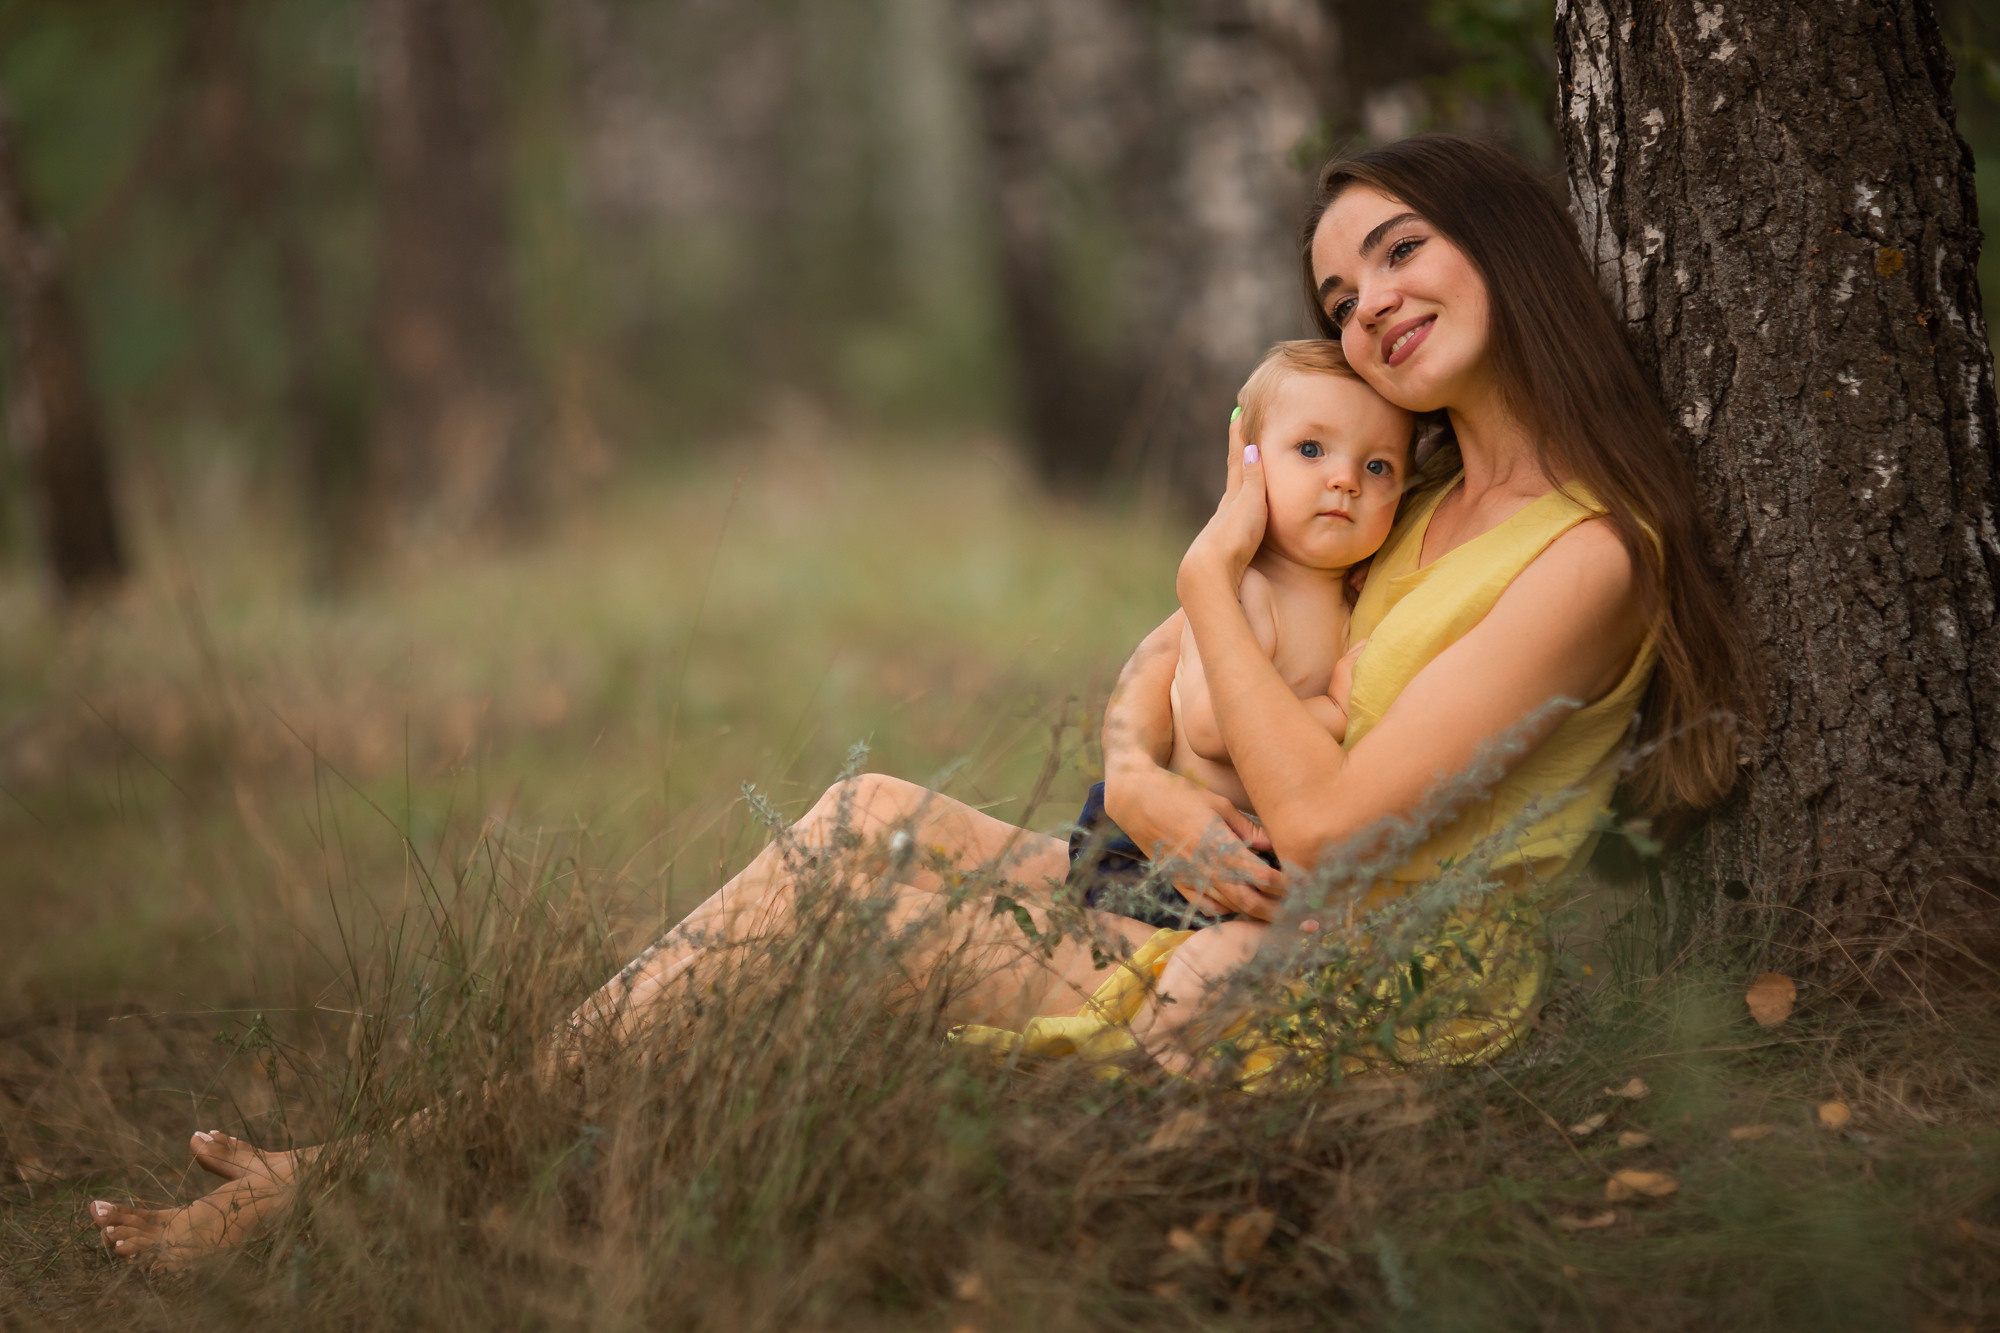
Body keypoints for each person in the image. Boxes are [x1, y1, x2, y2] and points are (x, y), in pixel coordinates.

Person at [89, 133, 1750, 1267]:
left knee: (840, 941)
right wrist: (1141, 779)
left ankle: (404, 1188)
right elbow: (1165, 693)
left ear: (1504, 243)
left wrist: (1203, 570)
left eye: (1398, 250)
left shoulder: (1586, 555)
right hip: (1205, 897)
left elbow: (1322, 821)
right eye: (1333, 296)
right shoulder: (1405, 489)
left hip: (1349, 978)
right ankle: (410, 1162)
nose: (1366, 303)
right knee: (858, 821)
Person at [1069, 337, 1412, 934]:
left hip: (1253, 849)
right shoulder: (1249, 588)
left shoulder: (1348, 594)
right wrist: (1335, 711)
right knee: (1158, 963)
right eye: (1311, 449)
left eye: (1377, 466)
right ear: (1250, 464)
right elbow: (1208, 726)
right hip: (1157, 853)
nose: (1345, 480)